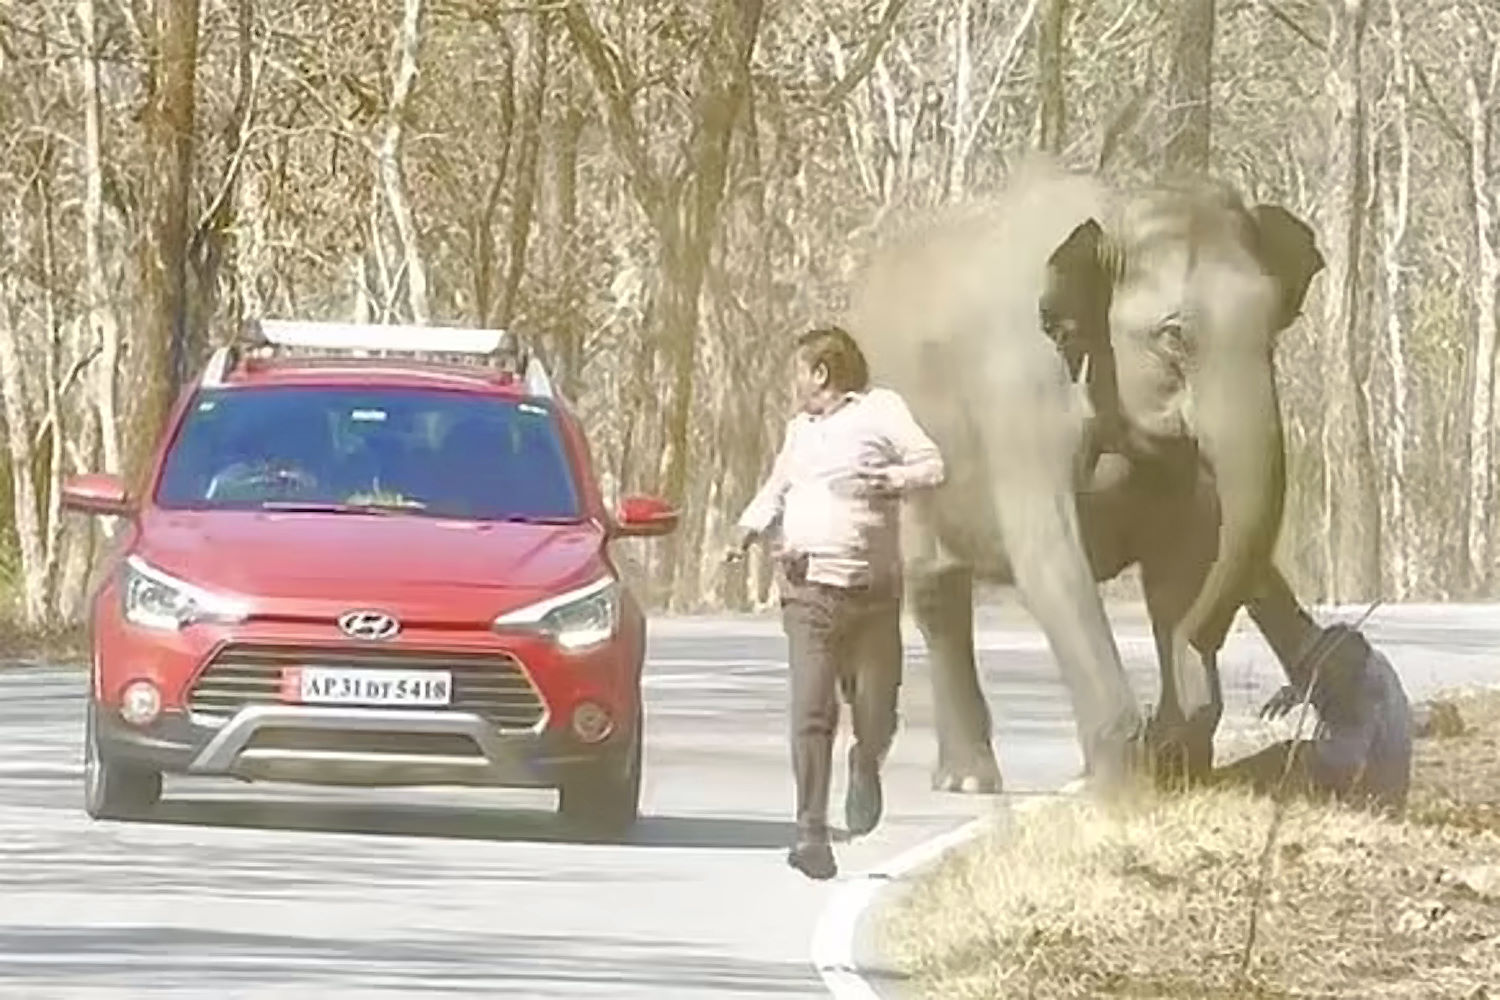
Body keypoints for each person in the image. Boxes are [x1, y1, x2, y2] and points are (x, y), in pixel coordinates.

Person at [725, 325, 946, 880]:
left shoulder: (881, 411)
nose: (793, 384)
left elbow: (933, 465)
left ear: (821, 373)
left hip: (871, 598)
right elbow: (778, 485)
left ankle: (866, 762)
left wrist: (891, 478)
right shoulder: (800, 430)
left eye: (798, 372)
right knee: (812, 711)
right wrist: (746, 529)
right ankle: (811, 835)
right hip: (807, 592)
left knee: (876, 714)